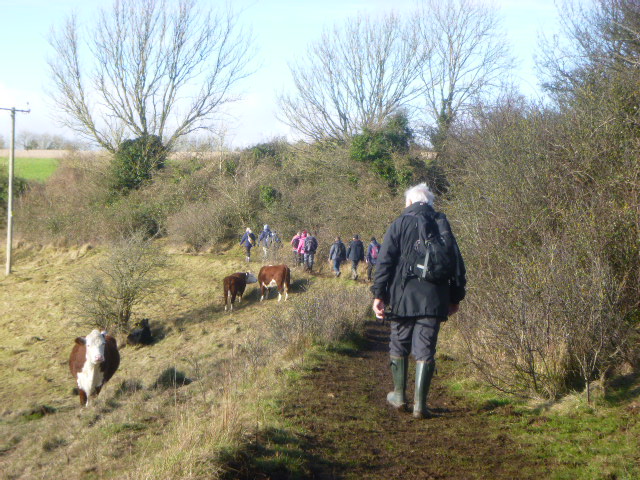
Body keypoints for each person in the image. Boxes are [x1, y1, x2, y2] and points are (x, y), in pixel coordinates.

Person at [371, 183, 466, 419]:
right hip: (435, 297)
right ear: (430, 203)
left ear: (410, 203)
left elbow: (384, 262)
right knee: (425, 348)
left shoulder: (399, 223)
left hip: (402, 296)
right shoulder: (442, 223)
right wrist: (455, 297)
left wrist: (378, 294)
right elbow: (456, 264)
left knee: (399, 342)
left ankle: (399, 396)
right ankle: (420, 406)